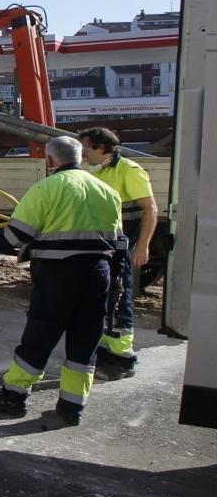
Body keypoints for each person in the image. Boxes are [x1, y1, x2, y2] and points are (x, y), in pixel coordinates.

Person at [0, 136, 122, 427]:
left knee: (40, 335)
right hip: (99, 275)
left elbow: (14, 237)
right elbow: (119, 245)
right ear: (80, 157)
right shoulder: (107, 191)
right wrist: (117, 284)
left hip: (58, 276)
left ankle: (13, 397)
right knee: (85, 342)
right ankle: (72, 407)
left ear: (50, 160)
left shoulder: (46, 188)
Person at [78, 127, 158, 380]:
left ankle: (122, 359)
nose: (83, 154)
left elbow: (150, 209)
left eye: (86, 148)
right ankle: (105, 350)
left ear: (101, 148)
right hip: (101, 245)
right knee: (103, 296)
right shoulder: (93, 170)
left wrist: (143, 245)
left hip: (120, 247)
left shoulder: (129, 171)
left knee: (119, 295)